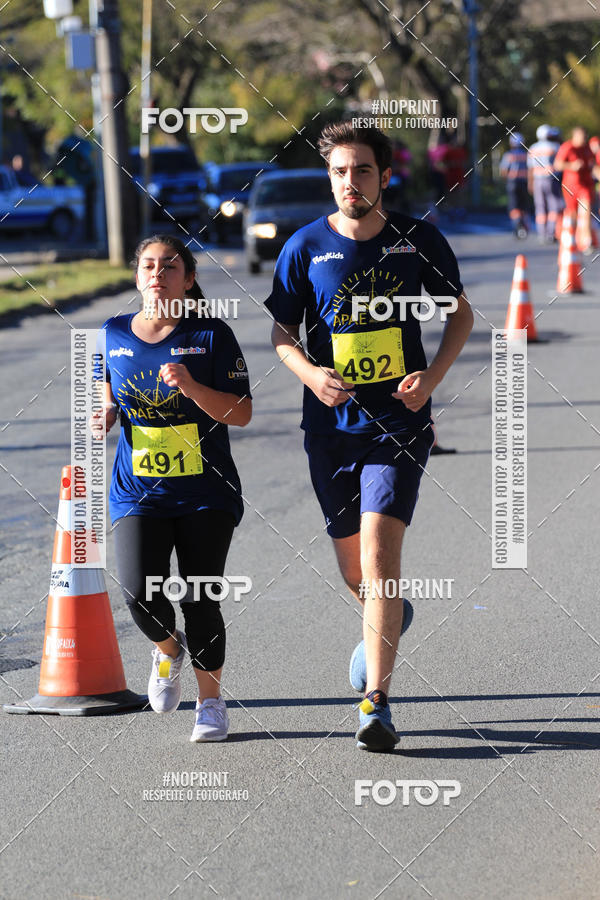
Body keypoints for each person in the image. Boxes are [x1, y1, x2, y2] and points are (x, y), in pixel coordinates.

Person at [265, 123, 473, 752]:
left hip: (399, 424)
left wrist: (431, 378)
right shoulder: (304, 248)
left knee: (382, 561)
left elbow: (459, 314)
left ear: (384, 175)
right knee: (357, 574)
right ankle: (386, 618)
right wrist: (311, 375)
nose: (349, 183)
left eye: (360, 171)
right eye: (338, 172)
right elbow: (281, 334)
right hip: (329, 427)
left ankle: (376, 702)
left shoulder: (418, 242)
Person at [91, 234, 252, 742]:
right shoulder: (113, 332)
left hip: (206, 490)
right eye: (148, 266)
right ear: (137, 276)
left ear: (189, 279)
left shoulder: (211, 336)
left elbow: (242, 413)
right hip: (138, 490)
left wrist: (192, 386)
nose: (157, 274)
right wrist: (109, 411)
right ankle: (167, 650)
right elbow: (108, 388)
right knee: (139, 594)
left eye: (169, 266)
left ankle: (211, 703)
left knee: (201, 596)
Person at [553, 127, 600, 253]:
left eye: (585, 136)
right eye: (581, 136)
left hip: (585, 186)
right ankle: (571, 239)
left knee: (586, 210)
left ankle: (588, 241)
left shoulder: (587, 148)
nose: (584, 139)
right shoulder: (567, 147)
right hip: (570, 187)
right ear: (575, 136)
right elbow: (557, 164)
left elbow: (593, 166)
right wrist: (571, 166)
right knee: (572, 213)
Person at [527, 125, 564, 243]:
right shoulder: (555, 147)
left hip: (537, 180)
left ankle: (541, 233)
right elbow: (560, 165)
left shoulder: (533, 148)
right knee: (554, 205)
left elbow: (530, 168)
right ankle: (551, 232)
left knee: (540, 207)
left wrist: (530, 183)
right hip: (551, 180)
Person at [499, 133, 530, 238]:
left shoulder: (509, 155)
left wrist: (506, 180)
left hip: (512, 183)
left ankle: (517, 225)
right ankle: (524, 225)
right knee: (523, 206)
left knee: (514, 206)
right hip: (524, 183)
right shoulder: (526, 155)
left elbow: (503, 171)